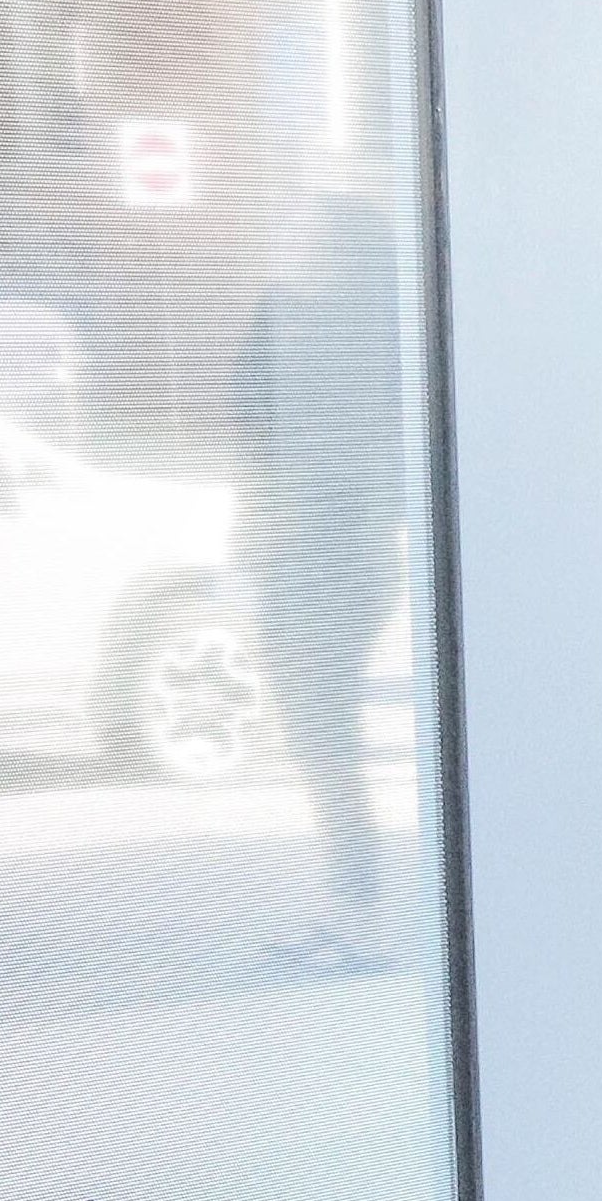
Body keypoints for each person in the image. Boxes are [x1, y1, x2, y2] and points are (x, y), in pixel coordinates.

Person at [232, 195, 404, 971]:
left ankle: (355, 913)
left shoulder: (343, 338)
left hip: (323, 562)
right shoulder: (290, 322)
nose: (293, 248)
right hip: (300, 557)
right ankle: (351, 907)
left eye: (312, 238)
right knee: (317, 739)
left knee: (323, 740)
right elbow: (252, 445)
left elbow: (345, 463)